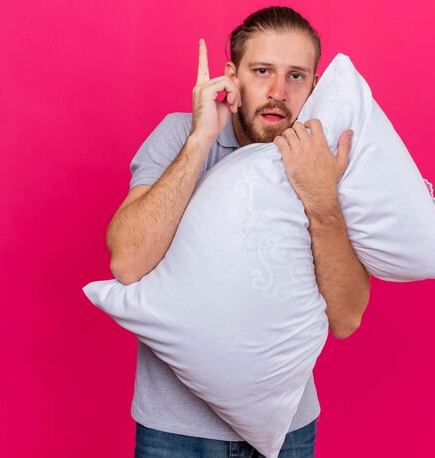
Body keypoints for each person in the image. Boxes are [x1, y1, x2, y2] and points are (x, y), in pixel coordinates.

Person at [106, 6, 371, 457]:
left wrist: (321, 197)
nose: (276, 92)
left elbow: (346, 318)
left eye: (296, 76)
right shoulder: (180, 134)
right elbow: (127, 262)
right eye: (262, 70)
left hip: (286, 430)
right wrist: (200, 139)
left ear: (314, 85)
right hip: (176, 432)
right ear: (232, 76)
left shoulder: (323, 159)